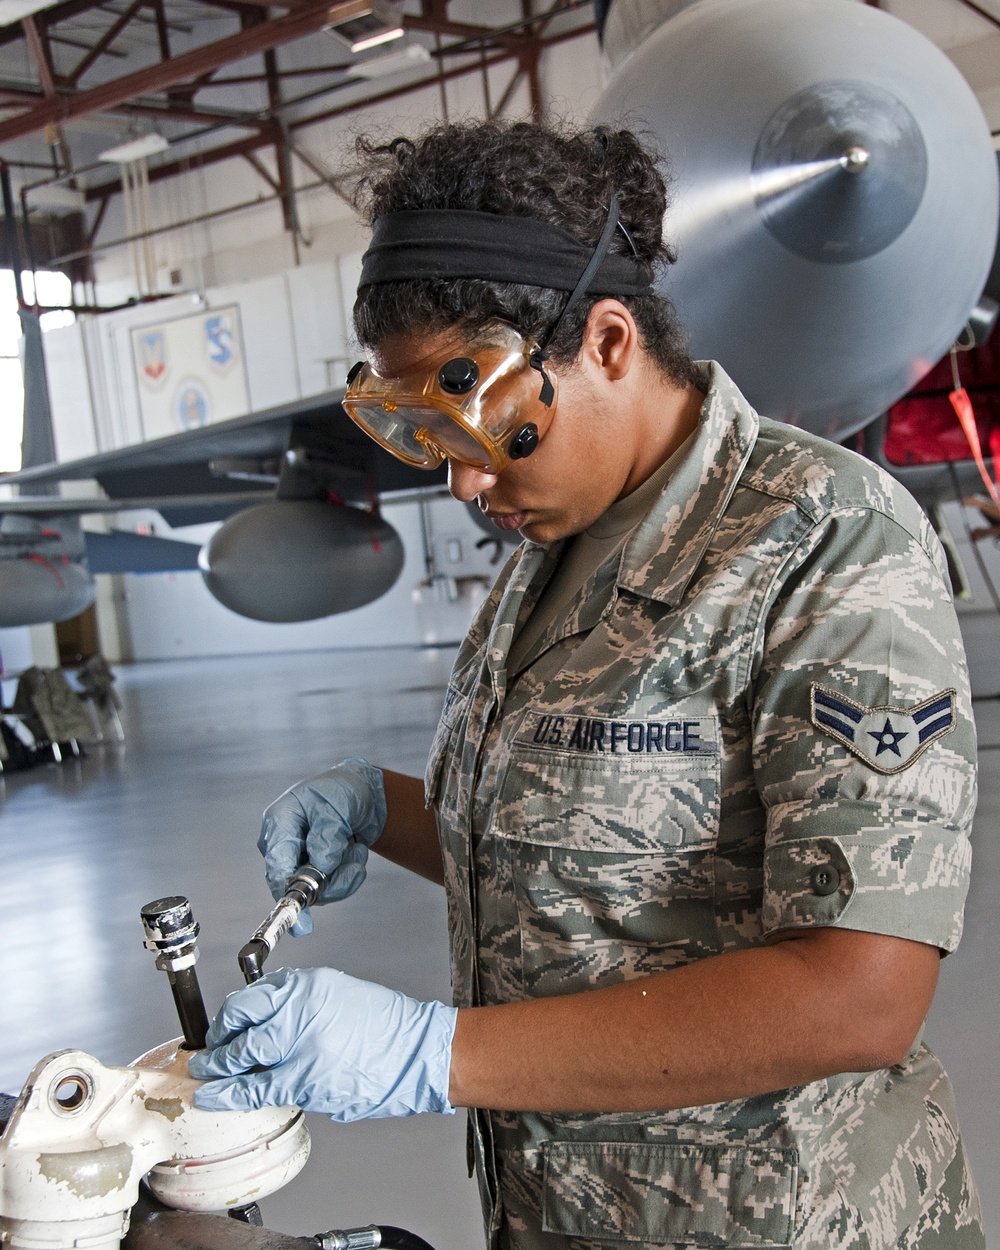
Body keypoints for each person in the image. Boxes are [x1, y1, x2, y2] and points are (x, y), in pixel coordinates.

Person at [189, 122, 983, 1249]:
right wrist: (387, 806)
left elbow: (858, 989)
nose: (466, 481)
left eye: (490, 429)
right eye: (432, 437)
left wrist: (436, 1053)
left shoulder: (824, 540)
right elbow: (600, 837)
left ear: (608, 342)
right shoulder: (553, 552)